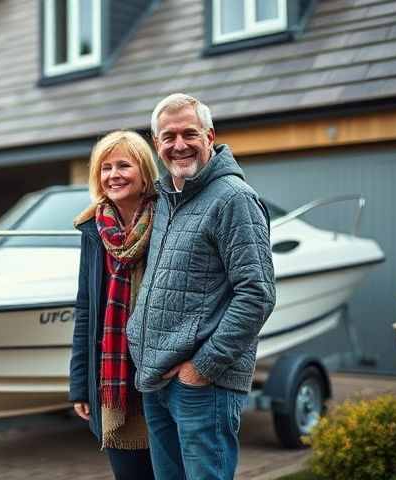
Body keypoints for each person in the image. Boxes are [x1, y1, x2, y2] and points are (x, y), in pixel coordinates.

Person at [126, 93, 276, 479]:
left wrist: (202, 368)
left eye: (189, 133)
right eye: (168, 136)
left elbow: (257, 293)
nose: (179, 145)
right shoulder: (168, 198)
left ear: (210, 136)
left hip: (201, 387)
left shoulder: (233, 199)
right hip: (157, 380)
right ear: (156, 144)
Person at [69, 130, 159, 480]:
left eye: (124, 164)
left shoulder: (168, 217)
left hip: (159, 373)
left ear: (144, 172)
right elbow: (86, 309)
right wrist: (80, 384)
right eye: (105, 167)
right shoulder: (93, 229)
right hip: (112, 380)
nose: (113, 174)